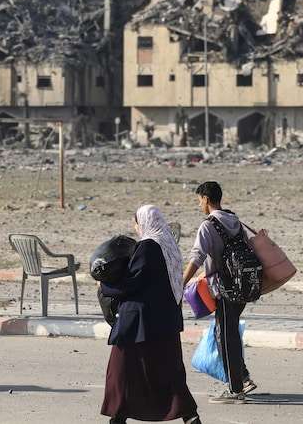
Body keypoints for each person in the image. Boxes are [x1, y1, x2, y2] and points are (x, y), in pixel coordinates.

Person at [100, 205, 201, 424]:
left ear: (144, 222)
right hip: (166, 321)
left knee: (121, 370)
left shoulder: (147, 247)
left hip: (140, 322)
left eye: (136, 222)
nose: (134, 227)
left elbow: (133, 282)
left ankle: (118, 415)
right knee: (169, 370)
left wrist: (106, 285)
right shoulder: (168, 244)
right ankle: (189, 416)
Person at [182, 181, 254, 404]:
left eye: (199, 201)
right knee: (225, 333)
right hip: (243, 285)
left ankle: (235, 389)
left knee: (226, 336)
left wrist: (181, 282)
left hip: (225, 288)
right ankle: (242, 377)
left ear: (205, 198)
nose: (200, 205)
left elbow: (197, 257)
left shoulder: (208, 225)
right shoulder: (234, 219)